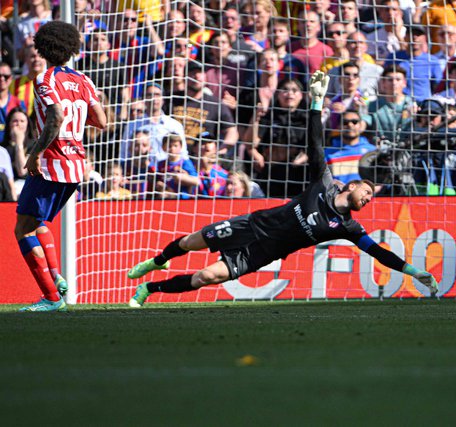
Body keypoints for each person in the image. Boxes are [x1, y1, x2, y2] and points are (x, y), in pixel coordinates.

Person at [126, 71, 438, 307]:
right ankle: (157, 261)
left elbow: (379, 252)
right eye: (367, 192)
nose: (369, 198)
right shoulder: (323, 184)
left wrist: (413, 271)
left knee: (205, 277)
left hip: (261, 253)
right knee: (192, 241)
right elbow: (314, 142)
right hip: (251, 226)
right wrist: (316, 101)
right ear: (352, 185)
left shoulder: (348, 227)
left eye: (371, 197)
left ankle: (150, 290)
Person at [15, 21, 107, 312]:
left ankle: (52, 298)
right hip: (76, 164)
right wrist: (77, 122)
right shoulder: (83, 80)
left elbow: (54, 117)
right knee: (35, 220)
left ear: (43, 48)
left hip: (53, 163)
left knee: (23, 229)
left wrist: (35, 153)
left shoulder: (45, 80)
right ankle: (56, 277)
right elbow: (102, 122)